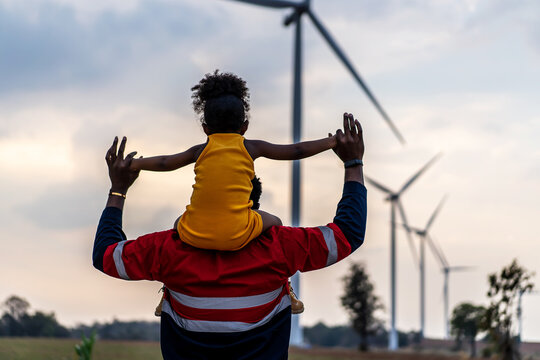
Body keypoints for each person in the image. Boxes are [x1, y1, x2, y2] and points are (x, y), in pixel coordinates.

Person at [93, 113, 367, 359]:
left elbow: (105, 255)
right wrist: (353, 164)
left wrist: (118, 190)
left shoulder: (167, 250)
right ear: (253, 205)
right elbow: (347, 234)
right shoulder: (281, 246)